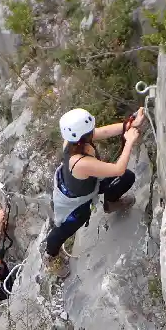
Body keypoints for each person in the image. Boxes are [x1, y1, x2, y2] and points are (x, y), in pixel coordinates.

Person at [43, 107, 145, 278]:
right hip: (76, 202)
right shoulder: (79, 161)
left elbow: (103, 131)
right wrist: (129, 142)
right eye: (90, 131)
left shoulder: (75, 141)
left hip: (90, 185)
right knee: (66, 229)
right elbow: (118, 169)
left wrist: (128, 125)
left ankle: (111, 203)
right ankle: (50, 256)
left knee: (128, 178)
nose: (93, 132)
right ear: (82, 137)